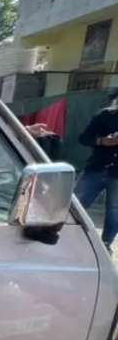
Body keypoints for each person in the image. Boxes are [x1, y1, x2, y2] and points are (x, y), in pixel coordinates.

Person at [76, 93, 118, 251]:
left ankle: (105, 245)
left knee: (114, 211)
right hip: (96, 168)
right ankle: (65, 236)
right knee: (77, 205)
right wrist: (102, 141)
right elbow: (84, 138)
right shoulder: (105, 115)